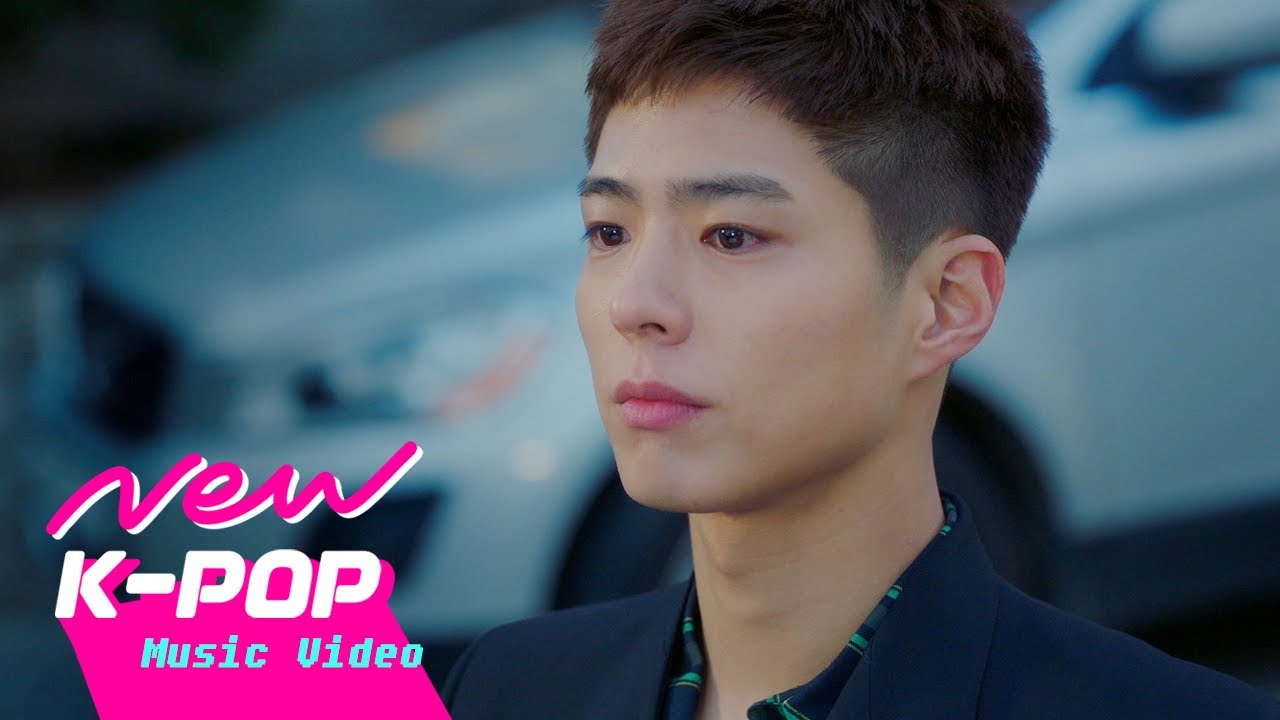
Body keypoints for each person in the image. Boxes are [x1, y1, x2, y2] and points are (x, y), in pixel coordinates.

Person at [440, 1, 1280, 718]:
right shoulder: (509, 689)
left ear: (947, 302)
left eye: (731, 236)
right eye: (608, 232)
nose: (634, 304)